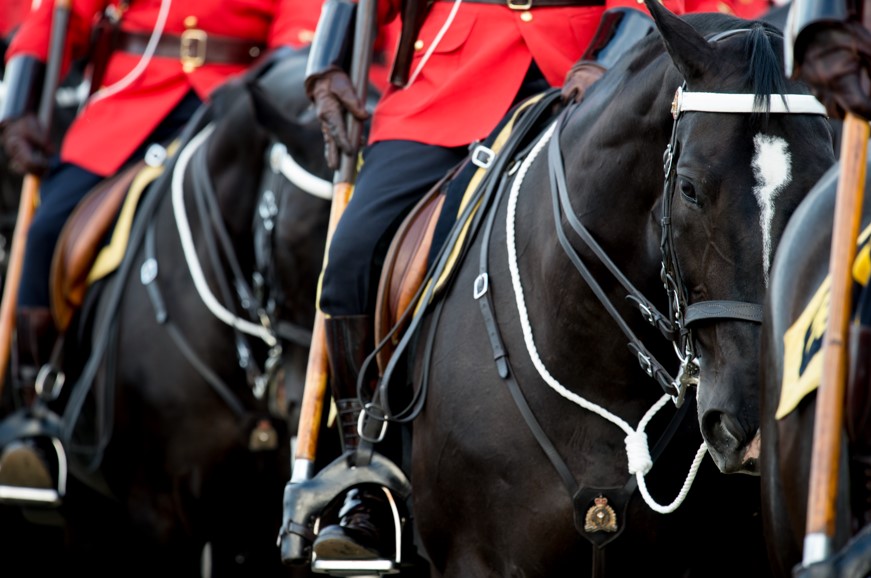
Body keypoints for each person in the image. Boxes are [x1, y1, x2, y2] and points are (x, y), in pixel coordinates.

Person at [302, 0, 771, 563]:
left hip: (596, 71)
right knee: (352, 256)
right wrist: (325, 66)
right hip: (450, 80)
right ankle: (366, 477)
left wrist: (616, 50)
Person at [0, 0, 323, 492]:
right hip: (135, 96)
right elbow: (62, 16)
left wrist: (287, 74)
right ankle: (39, 411)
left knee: (301, 231)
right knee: (47, 230)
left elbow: (303, 17)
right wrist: (16, 108)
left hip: (236, 105)